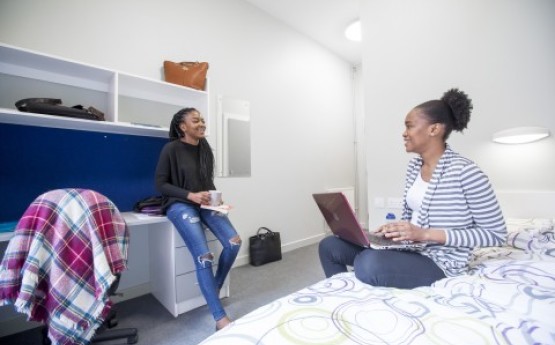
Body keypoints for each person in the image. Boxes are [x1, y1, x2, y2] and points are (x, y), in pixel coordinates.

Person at [319, 88, 507, 289]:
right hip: (410, 249)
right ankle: (342, 293)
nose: (404, 133)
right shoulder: (414, 167)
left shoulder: (466, 172)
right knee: (330, 246)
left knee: (368, 263)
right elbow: (416, 218)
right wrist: (395, 231)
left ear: (434, 129)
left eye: (409, 126)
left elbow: (496, 234)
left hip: (440, 261)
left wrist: (425, 234)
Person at [155, 108, 241, 331]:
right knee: (204, 256)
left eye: (202, 119)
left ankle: (215, 286)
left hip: (204, 204)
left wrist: (218, 201)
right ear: (183, 127)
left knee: (234, 242)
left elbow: (205, 181)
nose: (202, 123)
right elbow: (161, 185)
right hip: (179, 204)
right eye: (196, 121)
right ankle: (220, 318)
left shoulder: (205, 149)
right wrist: (189, 195)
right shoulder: (170, 149)